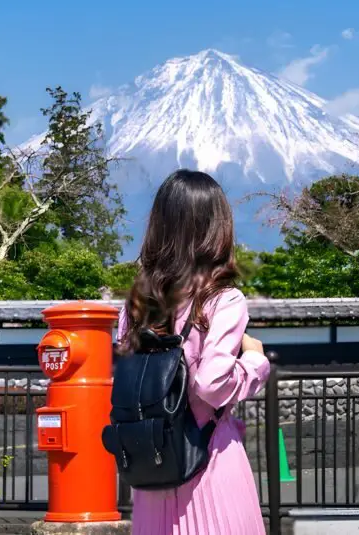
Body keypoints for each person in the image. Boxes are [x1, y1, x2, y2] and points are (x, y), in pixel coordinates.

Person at [117, 169, 270, 535]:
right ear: (217, 227)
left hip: (153, 471)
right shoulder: (222, 300)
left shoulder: (135, 305)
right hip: (209, 463)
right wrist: (254, 362)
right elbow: (212, 384)